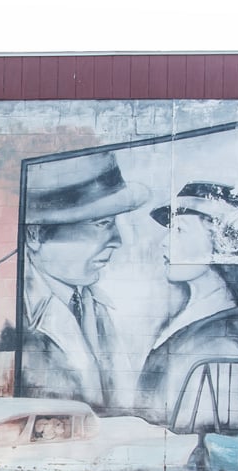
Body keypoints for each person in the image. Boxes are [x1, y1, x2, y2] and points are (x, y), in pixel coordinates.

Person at [136, 181, 238, 428]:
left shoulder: (224, 346)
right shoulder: (197, 319)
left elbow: (208, 444)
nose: (164, 242)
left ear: (220, 242)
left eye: (180, 230)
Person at [19, 151, 148, 410]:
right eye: (102, 223)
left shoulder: (93, 304)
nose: (117, 240)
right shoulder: (17, 313)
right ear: (34, 235)